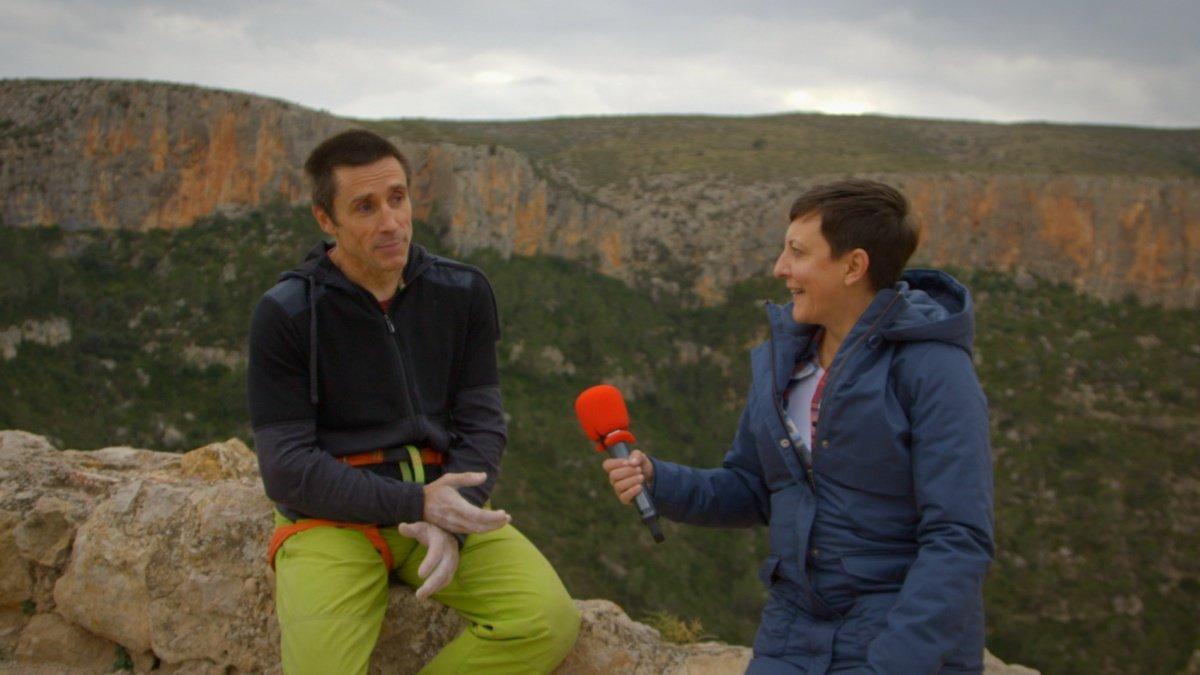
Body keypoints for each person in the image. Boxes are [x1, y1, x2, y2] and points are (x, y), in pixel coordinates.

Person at [603, 179, 994, 674]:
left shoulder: (933, 370)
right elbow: (751, 489)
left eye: (797, 252)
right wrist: (659, 479)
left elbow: (958, 537)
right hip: (793, 633)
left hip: (895, 636)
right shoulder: (785, 365)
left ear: (854, 266)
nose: (779, 268)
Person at [247, 129, 579, 674]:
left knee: (546, 620)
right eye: (365, 207)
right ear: (325, 220)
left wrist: (452, 514)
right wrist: (416, 506)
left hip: (444, 497)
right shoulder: (287, 313)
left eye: (398, 198)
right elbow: (285, 468)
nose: (391, 222)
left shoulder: (462, 291)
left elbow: (482, 423)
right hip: (332, 519)